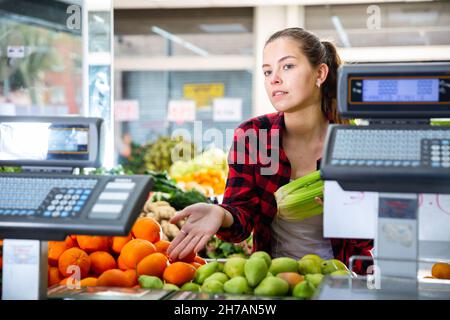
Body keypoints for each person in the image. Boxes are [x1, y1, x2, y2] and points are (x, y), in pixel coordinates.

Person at [167, 27, 373, 273]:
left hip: (343, 278)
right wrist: (220, 214)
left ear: (320, 73)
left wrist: (344, 212)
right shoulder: (253, 135)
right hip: (274, 280)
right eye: (267, 71)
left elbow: (369, 240)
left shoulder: (356, 143)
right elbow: (242, 220)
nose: (274, 78)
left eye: (287, 66)